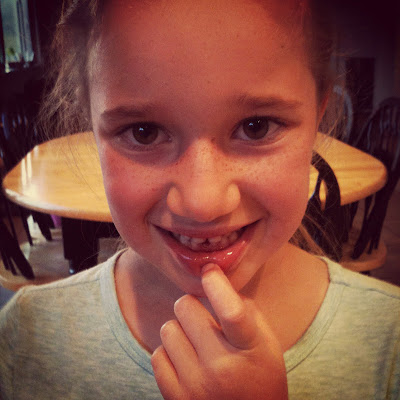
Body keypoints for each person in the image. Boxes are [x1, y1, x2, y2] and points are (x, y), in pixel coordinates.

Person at [1, 0, 399, 398]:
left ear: (319, 115)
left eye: (256, 127)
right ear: (90, 122)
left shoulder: (390, 341)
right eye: (143, 132)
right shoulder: (25, 341)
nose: (202, 204)